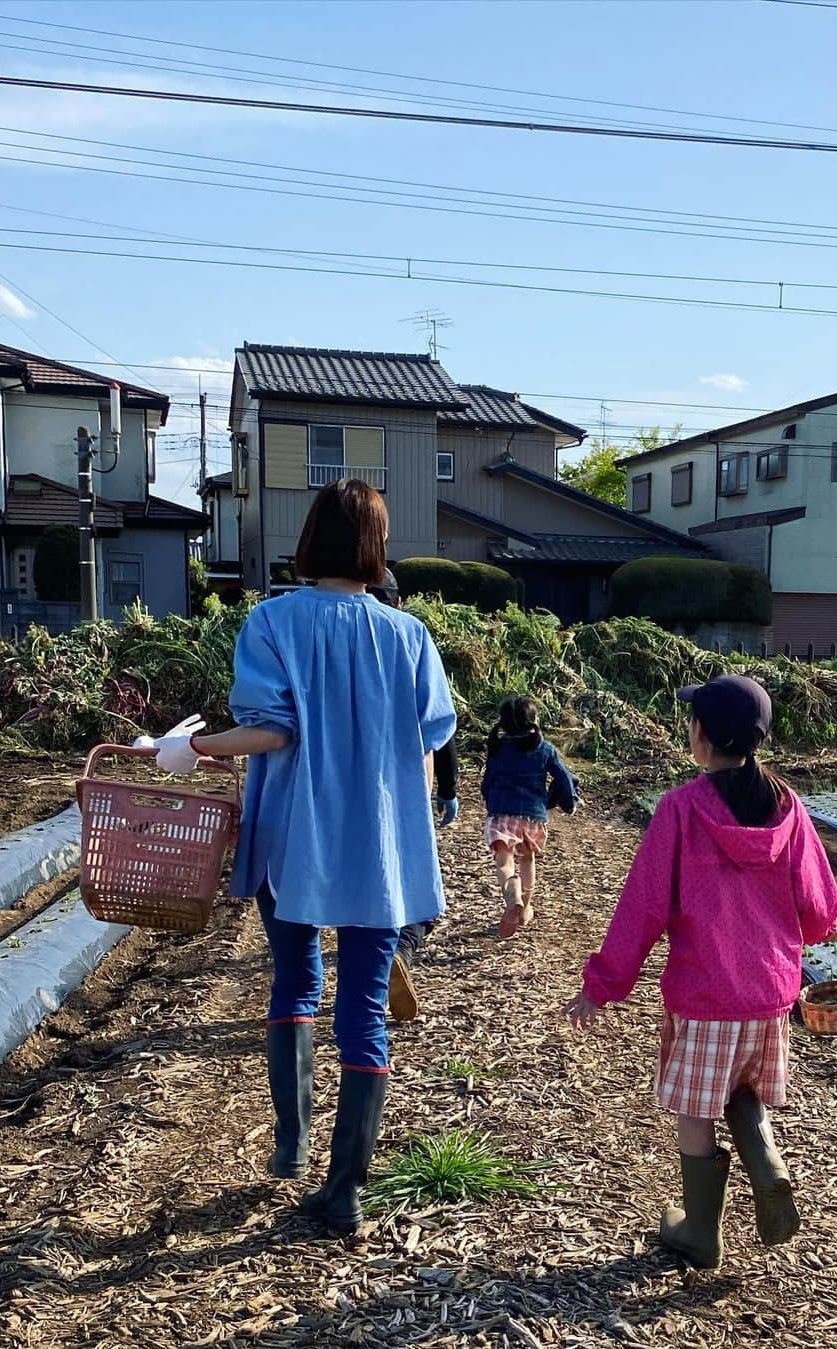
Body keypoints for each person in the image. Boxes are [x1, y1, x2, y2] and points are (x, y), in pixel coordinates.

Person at [138, 480, 456, 1235]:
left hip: (294, 839)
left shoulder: (273, 620)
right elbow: (433, 735)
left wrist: (191, 746)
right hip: (378, 847)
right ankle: (345, 1189)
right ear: (377, 547)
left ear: (310, 538)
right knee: (365, 1008)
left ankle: (291, 1146)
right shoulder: (408, 635)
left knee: (295, 977)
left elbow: (273, 730)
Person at [566, 675, 837, 1270]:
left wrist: (602, 984)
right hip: (771, 993)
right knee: (742, 1085)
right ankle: (764, 1160)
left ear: (702, 736)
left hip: (706, 993)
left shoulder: (682, 809)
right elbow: (818, 897)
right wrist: (820, 927)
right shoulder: (786, 805)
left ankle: (699, 1230)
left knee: (695, 1108)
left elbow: (642, 907)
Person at [368, 567, 460, 1022]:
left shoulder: (343, 646)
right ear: (398, 602)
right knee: (416, 895)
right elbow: (440, 730)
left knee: (364, 890)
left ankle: (372, 960)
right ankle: (397, 952)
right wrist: (448, 791)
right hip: (407, 795)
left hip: (345, 798)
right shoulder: (410, 640)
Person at [481, 694, 577, 939]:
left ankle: (511, 890)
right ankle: (525, 909)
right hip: (533, 816)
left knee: (504, 862)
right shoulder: (545, 749)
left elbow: (487, 782)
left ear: (503, 725)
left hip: (502, 813)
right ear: (534, 721)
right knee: (527, 860)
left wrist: (489, 801)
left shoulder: (498, 749)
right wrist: (569, 801)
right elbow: (564, 777)